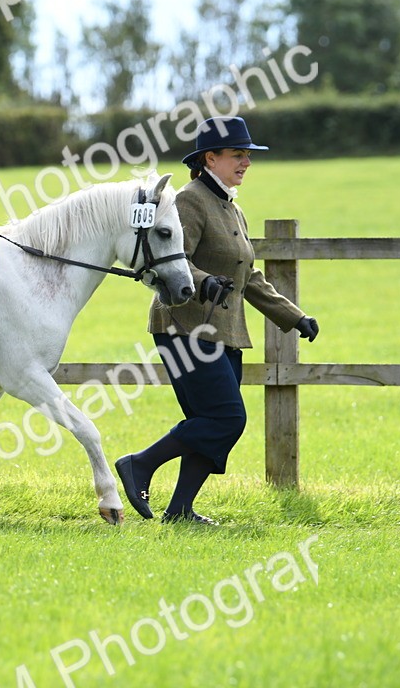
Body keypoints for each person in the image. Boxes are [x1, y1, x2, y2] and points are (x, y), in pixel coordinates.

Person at [115, 116, 320, 525]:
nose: (246, 162)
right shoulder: (190, 200)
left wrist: (294, 317)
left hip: (222, 332)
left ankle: (180, 511)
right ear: (211, 158)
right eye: (237, 155)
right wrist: (206, 281)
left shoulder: (230, 207)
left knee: (208, 422)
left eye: (248, 156)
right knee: (227, 418)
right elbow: (172, 260)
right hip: (183, 327)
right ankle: (139, 464)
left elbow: (250, 277)